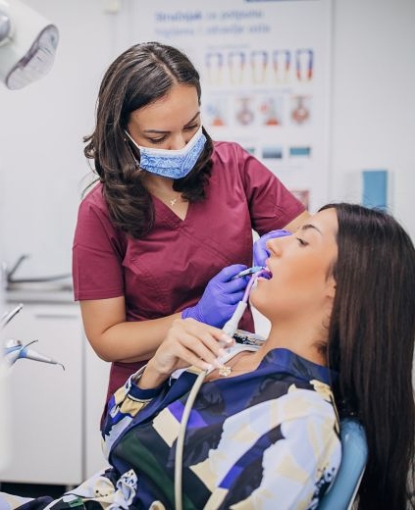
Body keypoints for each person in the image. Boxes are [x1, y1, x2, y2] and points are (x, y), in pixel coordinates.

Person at [3, 203, 414, 509]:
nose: (273, 246)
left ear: (341, 290)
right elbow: (115, 443)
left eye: (302, 239)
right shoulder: (230, 349)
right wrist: (158, 367)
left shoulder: (301, 425)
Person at [72, 41, 308, 417]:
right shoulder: (100, 212)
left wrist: (290, 245)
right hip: (152, 392)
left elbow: (315, 244)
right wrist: (193, 318)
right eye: (157, 137)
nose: (181, 145)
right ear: (121, 131)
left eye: (191, 126)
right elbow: (106, 339)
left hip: (235, 373)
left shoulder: (234, 168)